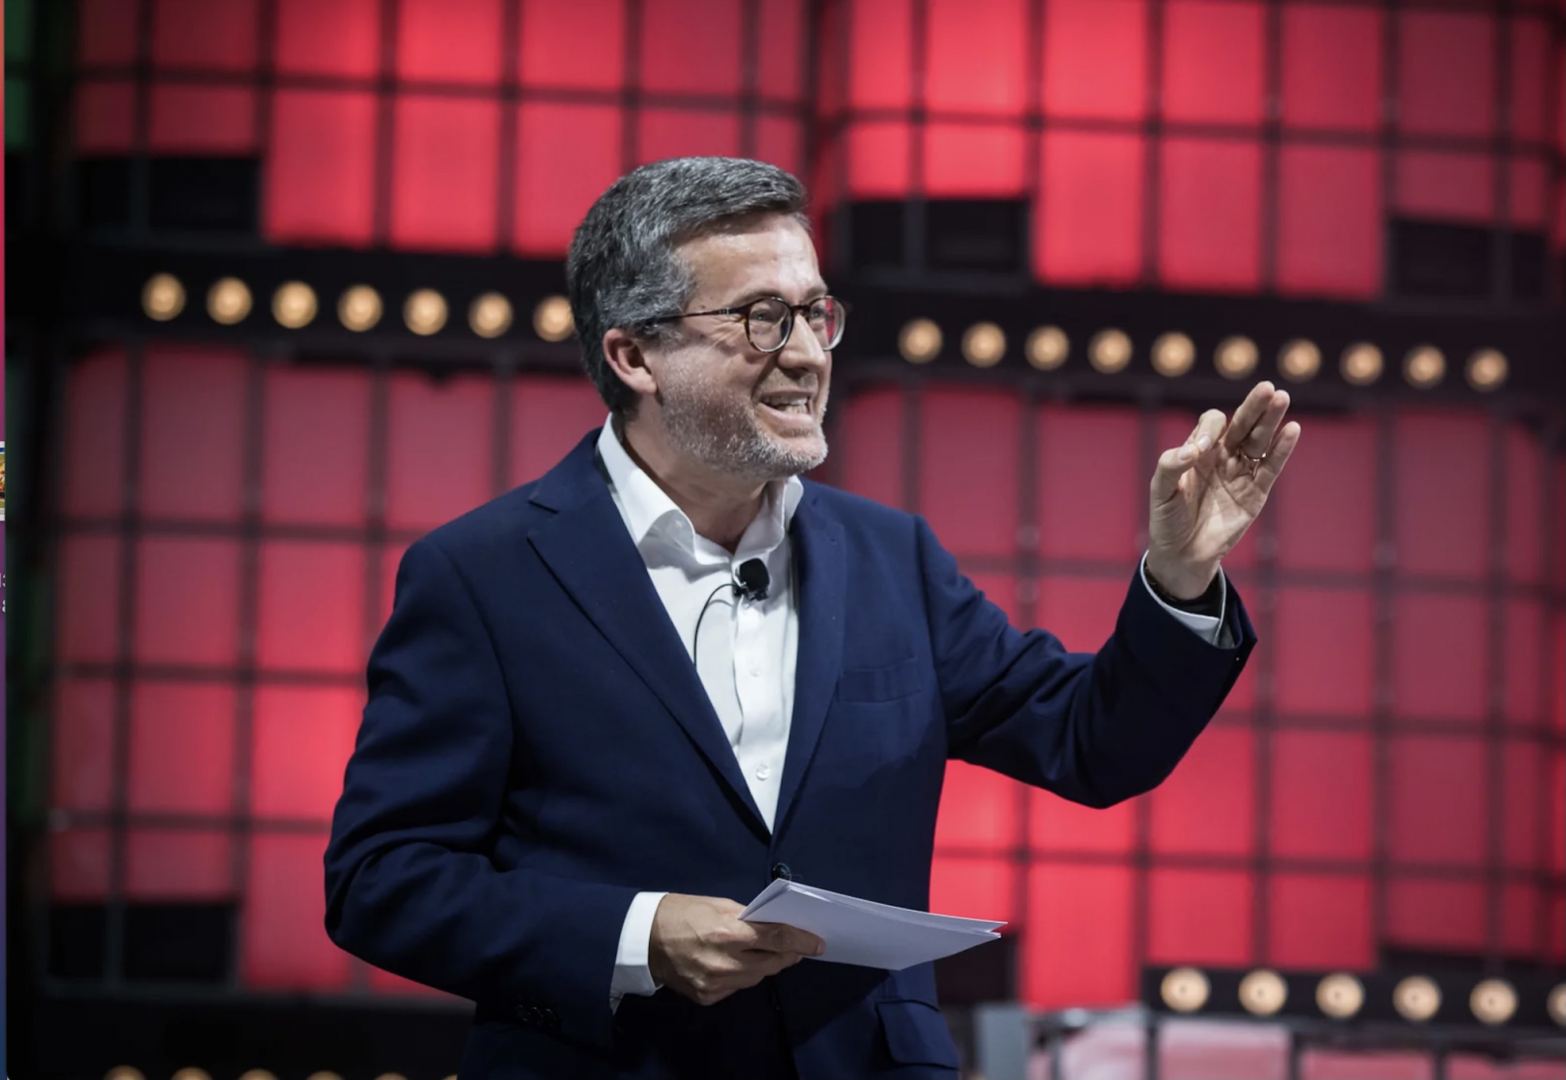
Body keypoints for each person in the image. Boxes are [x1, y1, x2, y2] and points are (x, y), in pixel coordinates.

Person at [324, 156, 1300, 1079]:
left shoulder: (892, 559)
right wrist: (636, 935)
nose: (804, 355)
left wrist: (1181, 576)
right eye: (760, 318)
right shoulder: (484, 575)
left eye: (814, 314)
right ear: (635, 354)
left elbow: (1095, 744)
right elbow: (384, 879)